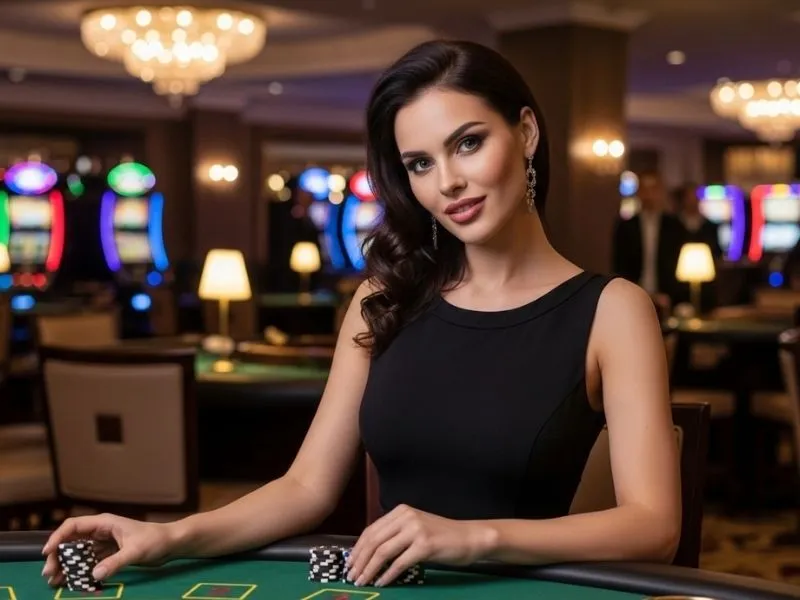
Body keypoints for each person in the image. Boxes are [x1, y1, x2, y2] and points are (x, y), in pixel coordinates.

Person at [41, 40, 681, 589]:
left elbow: (654, 526)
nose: (447, 182)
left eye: (468, 143)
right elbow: (305, 488)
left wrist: (473, 538)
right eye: (420, 164)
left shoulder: (613, 310)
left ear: (527, 132)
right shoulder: (383, 299)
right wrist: (169, 536)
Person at [611, 171, 686, 314]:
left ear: (662, 193)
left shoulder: (675, 226)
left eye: (654, 189)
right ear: (639, 193)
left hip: (668, 298)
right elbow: (619, 265)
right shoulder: (626, 227)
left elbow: (679, 264)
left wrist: (671, 296)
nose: (649, 195)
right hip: (633, 296)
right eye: (645, 190)